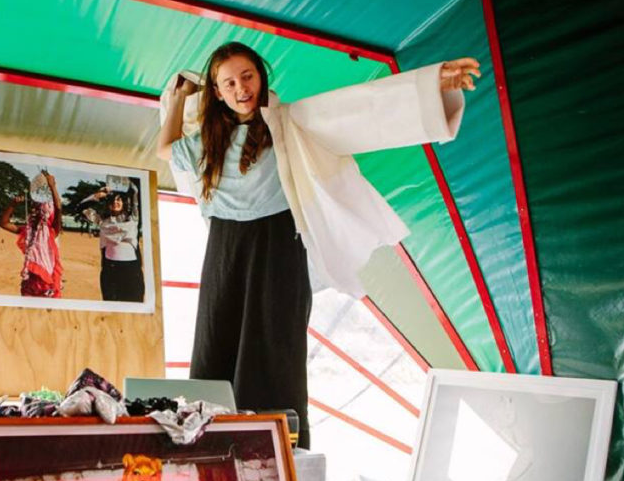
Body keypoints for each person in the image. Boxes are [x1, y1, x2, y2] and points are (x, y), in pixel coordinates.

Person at [157, 42, 480, 449]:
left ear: (262, 75)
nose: (241, 88)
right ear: (217, 92)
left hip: (279, 246)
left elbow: (362, 110)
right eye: (229, 83)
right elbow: (164, 149)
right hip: (226, 248)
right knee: (214, 346)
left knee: (274, 351)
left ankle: (279, 454)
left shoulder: (290, 123)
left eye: (248, 76)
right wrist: (179, 102)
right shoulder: (209, 140)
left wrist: (432, 85)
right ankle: (206, 449)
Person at [0, 170, 64, 297]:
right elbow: (3, 223)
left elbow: (59, 208)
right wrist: (12, 205)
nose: (33, 211)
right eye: (33, 208)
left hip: (47, 283)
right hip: (30, 282)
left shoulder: (51, 231)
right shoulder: (27, 231)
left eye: (38, 210)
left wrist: (52, 186)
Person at [78, 181, 145, 302]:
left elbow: (136, 192)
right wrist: (97, 195)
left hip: (131, 271)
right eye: (112, 200)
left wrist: (126, 185)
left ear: (124, 202)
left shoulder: (133, 219)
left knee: (134, 303)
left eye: (118, 200)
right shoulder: (102, 221)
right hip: (110, 271)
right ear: (108, 205)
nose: (115, 202)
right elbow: (81, 208)